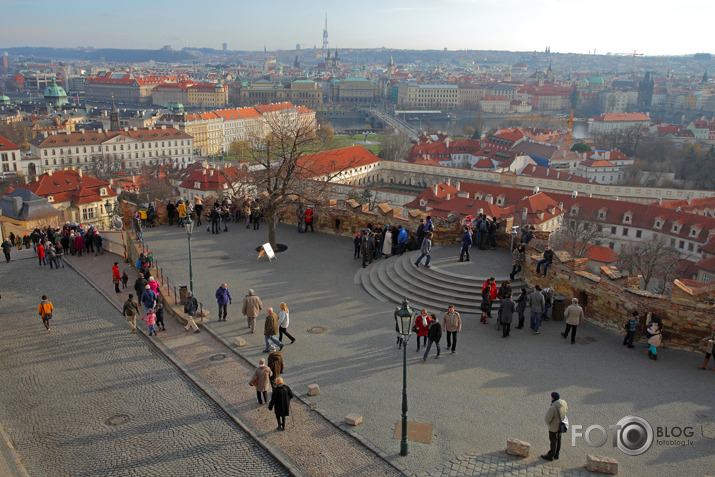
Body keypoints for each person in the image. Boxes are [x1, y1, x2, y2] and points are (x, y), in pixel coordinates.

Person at [541, 391, 568, 461]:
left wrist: (550, 423)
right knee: (558, 439)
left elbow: (547, 419)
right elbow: (566, 410)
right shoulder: (564, 403)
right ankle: (556, 454)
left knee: (553, 441)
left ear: (553, 398)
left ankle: (551, 455)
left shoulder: (553, 408)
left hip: (553, 427)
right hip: (561, 425)